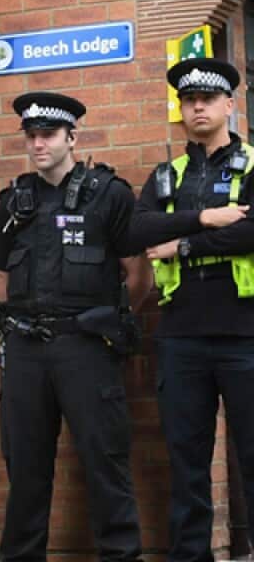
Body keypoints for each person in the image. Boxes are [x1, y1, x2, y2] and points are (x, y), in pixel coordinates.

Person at [0, 92, 147, 562]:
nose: (38, 144)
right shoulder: (13, 201)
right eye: (31, 135)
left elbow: (139, 276)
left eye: (49, 134)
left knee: (105, 462)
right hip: (25, 349)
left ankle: (121, 555)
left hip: (86, 347)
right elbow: (0, 274)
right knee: (25, 468)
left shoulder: (110, 195)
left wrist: (111, 323)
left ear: (72, 137)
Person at [132, 58, 254, 562]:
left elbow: (250, 232)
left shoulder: (253, 164)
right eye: (189, 100)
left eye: (207, 99)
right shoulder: (167, 176)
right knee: (186, 463)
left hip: (245, 332)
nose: (198, 107)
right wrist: (206, 218)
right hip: (180, 336)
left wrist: (182, 244)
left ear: (230, 104)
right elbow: (138, 230)